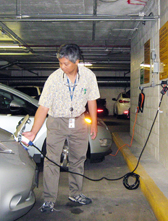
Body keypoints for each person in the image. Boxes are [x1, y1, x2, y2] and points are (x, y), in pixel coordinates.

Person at [23, 43, 100, 213]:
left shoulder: (88, 76)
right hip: (57, 122)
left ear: (76, 62)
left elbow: (92, 100)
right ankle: (49, 199)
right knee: (51, 160)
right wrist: (34, 132)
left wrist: (93, 123)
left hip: (79, 121)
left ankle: (75, 193)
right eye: (60, 63)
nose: (62, 67)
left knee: (78, 159)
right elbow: (43, 107)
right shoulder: (53, 79)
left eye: (66, 64)